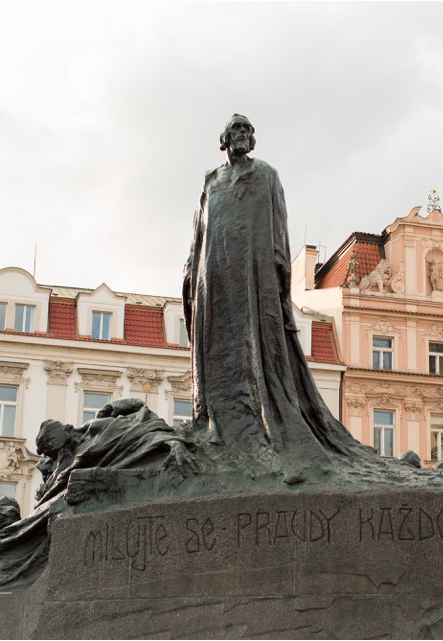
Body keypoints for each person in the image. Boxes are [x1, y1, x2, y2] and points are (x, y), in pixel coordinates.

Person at [182, 114, 370, 480]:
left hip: (254, 277)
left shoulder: (266, 175)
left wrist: (281, 275)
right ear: (224, 139)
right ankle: (218, 424)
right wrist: (191, 272)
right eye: (236, 129)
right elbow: (198, 234)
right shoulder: (210, 181)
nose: (243, 134)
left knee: (258, 351)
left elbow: (279, 227)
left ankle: (266, 427)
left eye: (248, 130)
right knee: (219, 350)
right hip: (215, 278)